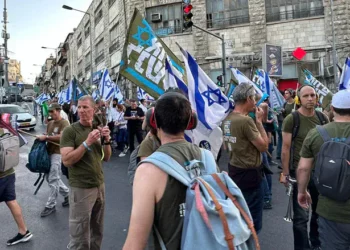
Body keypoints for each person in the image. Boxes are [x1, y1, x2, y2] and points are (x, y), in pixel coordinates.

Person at [123, 91, 205, 250]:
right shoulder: (207, 158)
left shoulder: (148, 170)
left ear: (153, 120)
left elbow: (135, 244)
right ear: (190, 121)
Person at [297, 89, 350, 250]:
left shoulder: (316, 134)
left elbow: (303, 168)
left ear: (332, 109)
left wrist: (302, 191)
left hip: (330, 211)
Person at [60, 95, 112, 250]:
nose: (81, 110)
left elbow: (107, 157)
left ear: (94, 109)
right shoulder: (70, 131)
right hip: (81, 188)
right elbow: (67, 160)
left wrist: (107, 139)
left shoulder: (97, 126)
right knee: (80, 235)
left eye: (85, 107)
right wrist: (86, 143)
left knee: (97, 230)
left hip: (99, 186)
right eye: (79, 107)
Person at [281, 85, 329, 250]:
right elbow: (285, 148)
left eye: (313, 95)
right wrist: (285, 173)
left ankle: (316, 244)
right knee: (301, 218)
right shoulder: (292, 119)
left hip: (320, 174)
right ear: (299, 99)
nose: (310, 98)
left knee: (318, 213)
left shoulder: (323, 118)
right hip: (299, 173)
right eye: (306, 96)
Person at [221, 82, 269, 233]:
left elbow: (225, 146)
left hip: (235, 171)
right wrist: (259, 123)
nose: (255, 102)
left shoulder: (227, 119)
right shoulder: (246, 121)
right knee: (253, 223)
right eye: (254, 98)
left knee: (240, 216)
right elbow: (263, 147)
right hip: (251, 175)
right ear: (248, 98)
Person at [0, 116, 33, 246]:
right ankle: (23, 231)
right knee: (11, 201)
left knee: (11, 201)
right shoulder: (5, 129)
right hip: (9, 172)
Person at [36, 103, 70, 217]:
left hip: (58, 153)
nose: (51, 114)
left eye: (53, 112)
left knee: (53, 178)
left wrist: (46, 137)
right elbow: (48, 134)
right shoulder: (50, 123)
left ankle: (50, 205)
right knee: (49, 177)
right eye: (49, 112)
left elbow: (62, 137)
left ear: (59, 111)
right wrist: (43, 135)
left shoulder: (64, 123)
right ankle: (67, 194)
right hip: (48, 152)